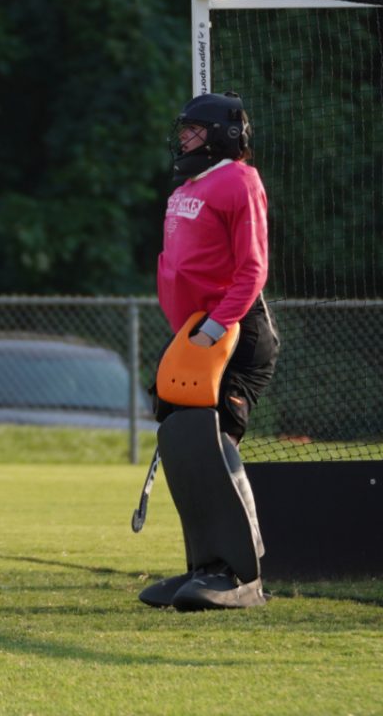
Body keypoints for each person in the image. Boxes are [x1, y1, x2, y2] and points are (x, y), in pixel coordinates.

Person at [141, 90, 279, 611]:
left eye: (193, 130)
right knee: (186, 449)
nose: (183, 137)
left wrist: (217, 326)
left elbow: (252, 267)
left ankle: (242, 576)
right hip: (195, 338)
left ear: (221, 134)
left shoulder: (240, 180)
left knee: (216, 447)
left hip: (234, 334)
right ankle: (204, 569)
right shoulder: (190, 183)